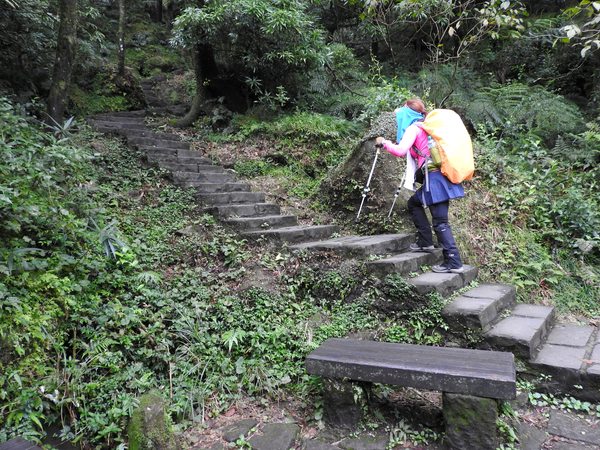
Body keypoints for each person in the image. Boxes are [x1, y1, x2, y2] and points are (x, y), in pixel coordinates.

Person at [375, 98, 465, 273]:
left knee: (440, 222)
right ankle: (425, 241)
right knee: (414, 203)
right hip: (441, 176)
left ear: (406, 114)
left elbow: (401, 150)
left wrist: (384, 143)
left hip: (435, 179)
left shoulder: (414, 128)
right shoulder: (428, 127)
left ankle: (454, 262)